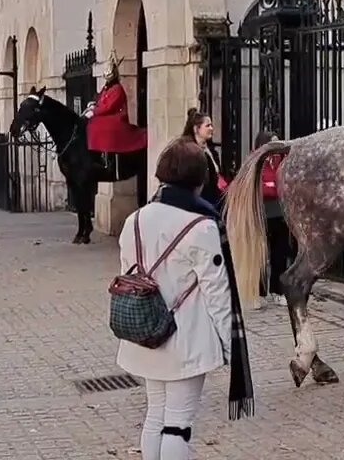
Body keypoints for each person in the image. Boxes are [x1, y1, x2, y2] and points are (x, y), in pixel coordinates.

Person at [117, 137, 254, 459]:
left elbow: (128, 273)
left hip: (145, 330)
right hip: (186, 339)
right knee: (178, 423)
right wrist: (228, 345)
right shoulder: (201, 227)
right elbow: (218, 294)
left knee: (156, 415)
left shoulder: (134, 220)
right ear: (200, 179)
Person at [254, 131, 290, 309]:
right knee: (261, 255)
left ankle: (278, 291)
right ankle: (259, 293)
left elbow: (283, 185)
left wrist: (273, 187)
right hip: (262, 214)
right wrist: (272, 187)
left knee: (279, 254)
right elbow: (262, 188)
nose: (277, 148)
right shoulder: (256, 163)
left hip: (279, 214)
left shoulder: (280, 162)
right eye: (273, 144)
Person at [86, 63, 148, 157]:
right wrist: (93, 105)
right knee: (91, 123)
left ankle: (104, 155)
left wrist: (94, 111)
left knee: (96, 125)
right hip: (107, 115)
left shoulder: (117, 89)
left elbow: (109, 107)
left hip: (116, 118)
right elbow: (101, 100)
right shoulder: (107, 88)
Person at [181, 110, 224, 209]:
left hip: (212, 200)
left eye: (211, 125)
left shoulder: (212, 152)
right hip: (197, 201)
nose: (211, 128)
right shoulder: (189, 151)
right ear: (196, 129)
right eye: (207, 126)